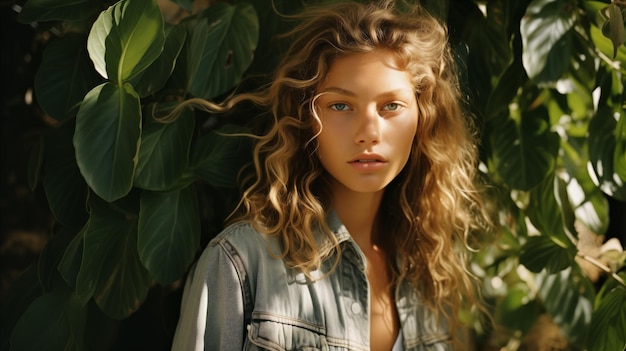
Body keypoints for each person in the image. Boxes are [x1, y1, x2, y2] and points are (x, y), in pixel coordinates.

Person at [172, 1, 489, 350]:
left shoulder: (431, 275)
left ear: (423, 116)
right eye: (340, 105)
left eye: (391, 106)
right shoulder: (240, 264)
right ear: (307, 117)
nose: (368, 132)